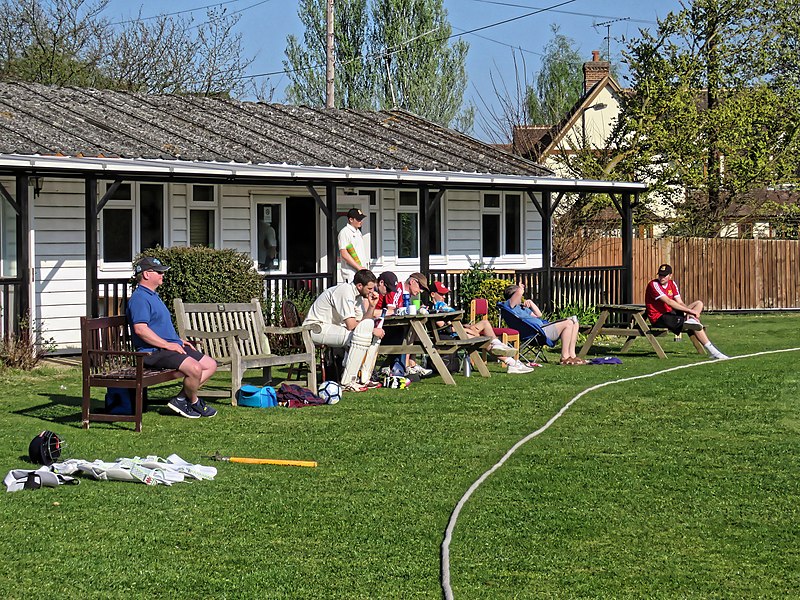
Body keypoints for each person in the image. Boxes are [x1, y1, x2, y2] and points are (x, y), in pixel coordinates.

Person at [126, 256, 219, 418]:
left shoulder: (153, 295)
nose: (163, 275)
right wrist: (168, 345)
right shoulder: (139, 298)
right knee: (195, 369)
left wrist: (177, 341)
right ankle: (194, 401)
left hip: (167, 347)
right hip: (152, 352)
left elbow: (159, 326)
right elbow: (140, 329)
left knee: (210, 365)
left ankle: (181, 399)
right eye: (159, 272)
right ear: (147, 274)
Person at [304, 268, 384, 392]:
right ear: (359, 285)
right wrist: (372, 330)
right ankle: (347, 381)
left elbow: (364, 323)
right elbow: (352, 325)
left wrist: (372, 307)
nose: (372, 291)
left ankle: (364, 378)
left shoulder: (357, 296)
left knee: (371, 336)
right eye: (369, 288)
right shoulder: (345, 291)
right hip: (315, 328)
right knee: (358, 336)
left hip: (328, 327)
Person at [430, 281, 533, 374]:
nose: (444, 297)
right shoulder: (435, 310)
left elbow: (453, 324)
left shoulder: (443, 306)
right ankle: (511, 362)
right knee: (484, 341)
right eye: (441, 294)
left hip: (459, 331)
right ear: (433, 294)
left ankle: (499, 345)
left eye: (445, 294)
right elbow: (445, 328)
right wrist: (466, 330)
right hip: (453, 335)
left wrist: (467, 326)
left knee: (485, 322)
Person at [645, 263, 728, 359]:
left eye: (664, 275)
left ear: (670, 275)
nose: (662, 277)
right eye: (660, 275)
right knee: (695, 325)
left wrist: (688, 312)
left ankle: (691, 320)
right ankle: (715, 352)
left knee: (699, 303)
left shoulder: (672, 284)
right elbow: (669, 302)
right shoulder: (653, 285)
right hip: (659, 317)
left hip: (671, 313)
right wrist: (691, 311)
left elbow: (679, 302)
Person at [501, 282, 587, 365]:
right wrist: (520, 288)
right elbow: (517, 295)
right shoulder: (509, 306)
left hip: (543, 328)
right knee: (568, 323)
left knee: (575, 322)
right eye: (519, 295)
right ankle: (564, 357)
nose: (521, 297)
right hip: (537, 333)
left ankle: (572, 355)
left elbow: (538, 314)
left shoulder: (522, 308)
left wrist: (531, 303)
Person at [338, 208, 367, 283]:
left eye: (361, 219)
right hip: (350, 273)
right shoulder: (344, 232)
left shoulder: (358, 232)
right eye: (358, 219)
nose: (360, 221)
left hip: (360, 272)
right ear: (351, 219)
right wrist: (358, 267)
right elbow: (344, 253)